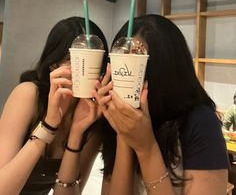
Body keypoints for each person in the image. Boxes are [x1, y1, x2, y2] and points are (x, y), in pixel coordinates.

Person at [93, 14, 229, 195]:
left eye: (139, 67)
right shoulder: (116, 117)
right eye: (122, 66)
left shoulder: (201, 121)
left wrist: (146, 148)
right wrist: (124, 134)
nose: (128, 77)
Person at [0, 16, 109, 194]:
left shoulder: (93, 119)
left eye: (93, 61)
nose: (83, 69)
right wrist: (48, 126)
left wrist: (76, 134)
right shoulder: (29, 95)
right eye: (72, 59)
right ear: (53, 64)